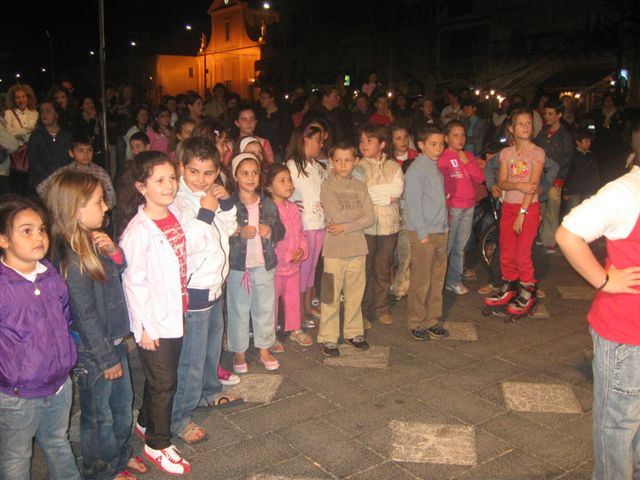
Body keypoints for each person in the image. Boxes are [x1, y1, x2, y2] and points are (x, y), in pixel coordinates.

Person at [45, 172, 147, 480]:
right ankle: (100, 469)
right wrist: (105, 358)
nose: (106, 207)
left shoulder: (91, 241)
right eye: (99, 201)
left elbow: (117, 270)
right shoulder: (73, 260)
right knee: (97, 416)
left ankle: (117, 454)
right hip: (95, 351)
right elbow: (84, 313)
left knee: (121, 404)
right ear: (76, 209)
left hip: (113, 341)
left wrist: (114, 253)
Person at [556, 156, 640, 480]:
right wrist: (604, 280)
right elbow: (568, 234)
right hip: (627, 332)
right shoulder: (626, 192)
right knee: (619, 426)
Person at [117, 152, 191, 475]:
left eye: (172, 178)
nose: (170, 185)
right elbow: (134, 284)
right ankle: (157, 443)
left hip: (175, 311)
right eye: (160, 180)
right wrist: (144, 328)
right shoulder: (138, 231)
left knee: (159, 377)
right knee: (165, 383)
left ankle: (146, 421)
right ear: (141, 186)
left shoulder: (171, 212)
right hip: (155, 321)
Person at [0, 195, 80, 480]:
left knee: (59, 442)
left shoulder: (49, 273)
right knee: (17, 455)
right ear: (3, 240)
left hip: (59, 385)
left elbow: (65, 318)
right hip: (18, 395)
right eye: (26, 230)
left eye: (42, 229)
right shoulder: (3, 285)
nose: (39, 237)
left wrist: (69, 353)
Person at [170, 136, 242, 445]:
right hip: (194, 289)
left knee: (213, 345)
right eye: (194, 171)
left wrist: (224, 204)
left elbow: (230, 228)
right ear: (181, 167)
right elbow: (187, 245)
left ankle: (209, 391)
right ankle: (180, 416)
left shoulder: (211, 194)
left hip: (215, 282)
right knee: (192, 355)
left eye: (209, 173)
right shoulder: (177, 200)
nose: (201, 180)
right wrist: (206, 211)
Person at [226, 153, 285, 373]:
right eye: (244, 173)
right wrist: (238, 232)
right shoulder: (229, 204)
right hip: (238, 267)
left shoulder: (267, 203)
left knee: (265, 308)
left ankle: (263, 347)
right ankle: (239, 352)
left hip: (263, 264)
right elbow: (220, 231)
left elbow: (280, 229)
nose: (250, 178)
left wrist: (270, 231)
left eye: (254, 173)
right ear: (235, 176)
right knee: (239, 308)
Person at [318, 142, 374, 356]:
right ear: (332, 161)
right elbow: (335, 215)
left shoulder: (361, 187)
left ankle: (353, 332)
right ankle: (328, 337)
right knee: (331, 295)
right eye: (338, 160)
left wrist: (346, 226)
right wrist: (354, 218)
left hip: (358, 248)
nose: (343, 165)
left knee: (355, 294)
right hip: (333, 251)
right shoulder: (328, 186)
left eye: (348, 160)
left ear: (355, 161)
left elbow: (370, 217)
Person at [486, 108, 545, 315]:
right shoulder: (506, 153)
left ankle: (528, 291)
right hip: (508, 206)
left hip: (527, 209)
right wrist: (518, 186)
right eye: (521, 124)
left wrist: (522, 212)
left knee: (522, 254)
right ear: (511, 128)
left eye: (529, 123)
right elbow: (502, 182)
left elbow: (534, 185)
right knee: (507, 252)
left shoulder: (537, 153)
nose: (526, 127)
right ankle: (509, 286)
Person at [354, 123, 403, 327]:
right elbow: (361, 194)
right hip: (365, 226)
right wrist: (386, 195)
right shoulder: (358, 168)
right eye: (362, 140)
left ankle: (381, 306)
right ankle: (363, 311)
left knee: (383, 267)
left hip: (388, 226)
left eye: (370, 140)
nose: (364, 144)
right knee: (364, 268)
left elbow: (398, 191)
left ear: (382, 144)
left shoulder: (394, 167)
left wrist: (376, 193)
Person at [404, 126, 449, 340]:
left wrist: (444, 226)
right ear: (421, 145)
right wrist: (422, 234)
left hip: (439, 230)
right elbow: (413, 205)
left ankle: (432, 319)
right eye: (433, 144)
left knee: (437, 280)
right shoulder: (416, 171)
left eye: (441, 144)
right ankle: (416, 321)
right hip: (423, 233)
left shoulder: (435, 168)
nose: (438, 148)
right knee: (421, 281)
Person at [285, 125, 328, 327]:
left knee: (312, 267)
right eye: (318, 140)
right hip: (304, 225)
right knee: (303, 268)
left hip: (319, 222)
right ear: (305, 140)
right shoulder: (293, 166)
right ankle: (299, 310)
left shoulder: (317, 166)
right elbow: (284, 189)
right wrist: (292, 203)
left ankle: (309, 303)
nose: (321, 144)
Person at [266, 164, 312, 348]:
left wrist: (302, 250)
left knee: (293, 298)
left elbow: (300, 233)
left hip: (294, 266)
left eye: (289, 180)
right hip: (277, 268)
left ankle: (295, 329)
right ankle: (269, 335)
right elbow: (272, 241)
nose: (288, 185)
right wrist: (286, 255)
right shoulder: (270, 210)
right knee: (271, 303)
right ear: (269, 187)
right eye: (282, 181)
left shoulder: (293, 207)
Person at [438, 120, 484, 295]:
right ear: (446, 138)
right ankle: (439, 281)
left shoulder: (468, 156)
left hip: (468, 206)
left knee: (460, 246)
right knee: (447, 246)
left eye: (463, 135)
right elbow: (442, 185)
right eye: (455, 135)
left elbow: (479, 178)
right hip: (453, 207)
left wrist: (467, 162)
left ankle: (454, 280)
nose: (460, 139)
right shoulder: (442, 158)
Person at [37, 133, 116, 209]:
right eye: (80, 151)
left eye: (89, 150)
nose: (86, 154)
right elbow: (41, 189)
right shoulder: (64, 172)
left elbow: (112, 199)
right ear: (71, 153)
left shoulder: (100, 173)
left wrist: (101, 206)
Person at [535, 98, 573, 253]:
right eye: (546, 114)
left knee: (552, 209)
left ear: (559, 115)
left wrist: (559, 176)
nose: (547, 117)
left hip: (555, 177)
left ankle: (550, 240)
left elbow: (566, 159)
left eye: (551, 114)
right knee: (541, 208)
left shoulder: (565, 135)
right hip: (541, 177)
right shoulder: (543, 133)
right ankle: (544, 236)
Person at [27, 101, 72, 190]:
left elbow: (70, 159)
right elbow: (34, 160)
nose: (44, 114)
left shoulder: (67, 135)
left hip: (64, 183)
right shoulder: (36, 135)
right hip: (41, 183)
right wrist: (49, 178)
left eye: (48, 111)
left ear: (57, 114)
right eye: (42, 112)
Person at [563, 129, 600, 213]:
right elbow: (567, 173)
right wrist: (566, 191)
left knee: (587, 212)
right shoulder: (572, 155)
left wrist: (596, 189)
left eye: (590, 141)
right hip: (574, 191)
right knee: (572, 212)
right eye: (586, 141)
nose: (589, 143)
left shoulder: (591, 156)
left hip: (589, 190)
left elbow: (595, 174)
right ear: (578, 142)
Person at [256, 87, 294, 162]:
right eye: (260, 98)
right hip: (262, 148)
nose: (261, 100)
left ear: (272, 98)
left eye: (264, 97)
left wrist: (282, 146)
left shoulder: (282, 114)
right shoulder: (259, 114)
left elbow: (288, 131)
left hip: (276, 150)